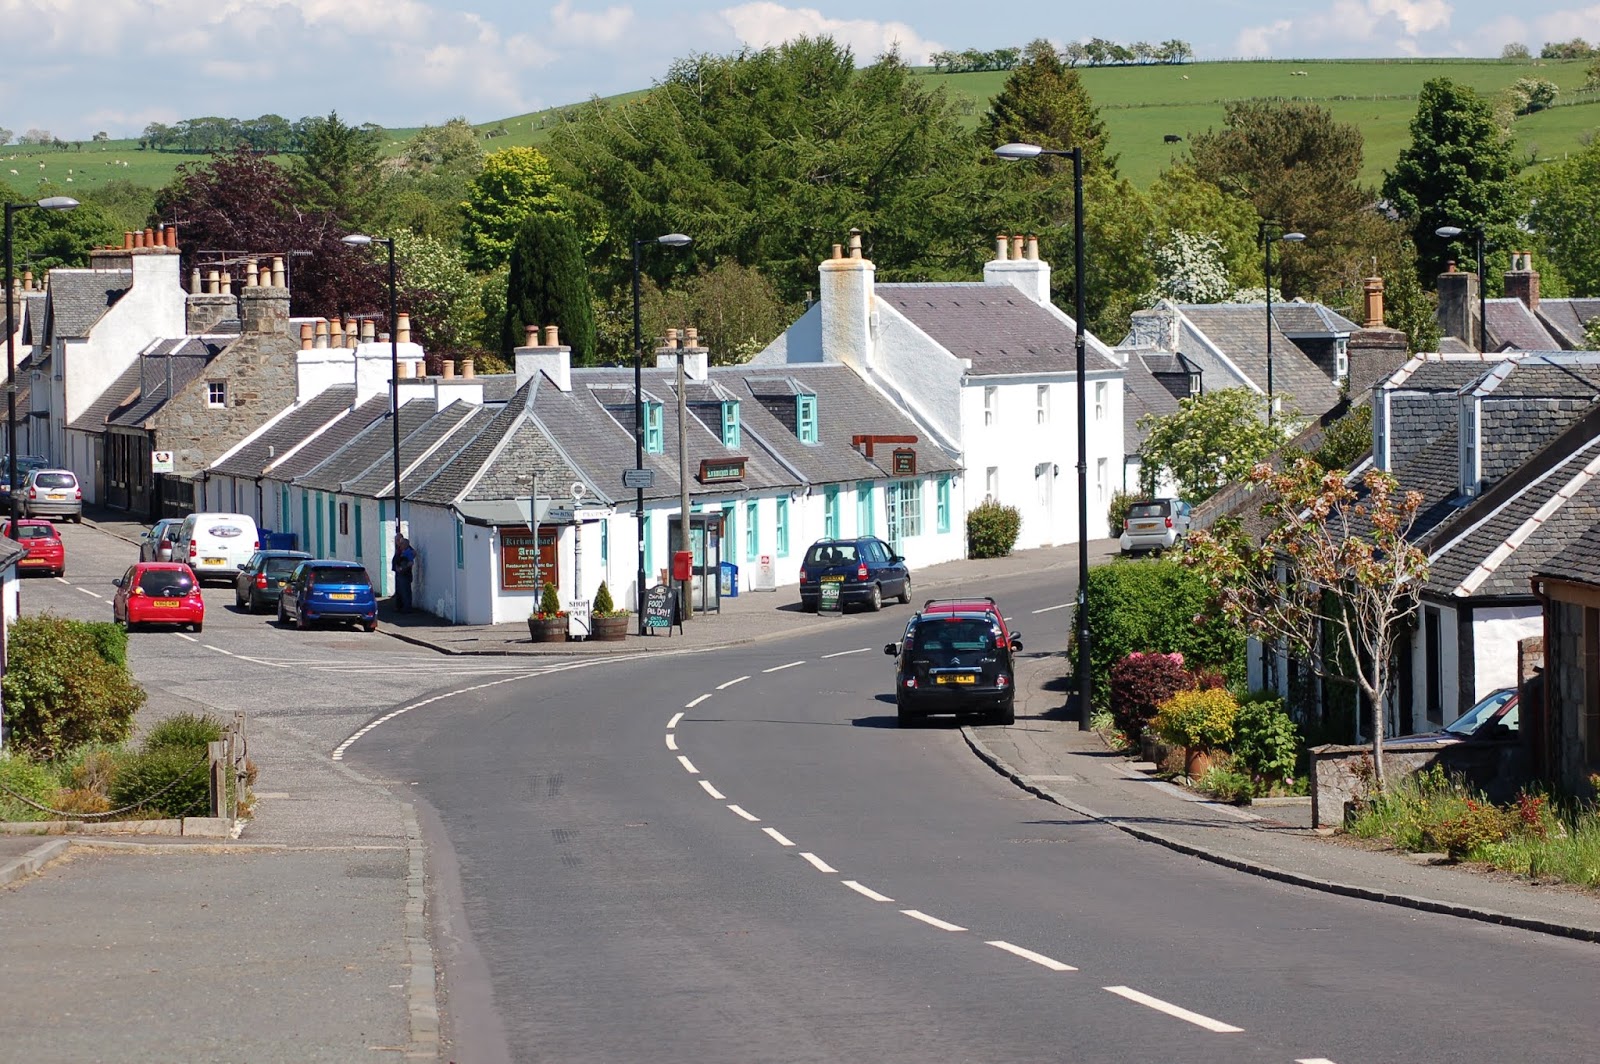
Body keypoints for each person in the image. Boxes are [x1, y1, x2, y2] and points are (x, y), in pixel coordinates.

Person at [392, 534, 417, 613]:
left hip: (404, 574)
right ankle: (400, 607)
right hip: (399, 573)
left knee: (405, 591)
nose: (398, 542)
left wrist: (403, 568)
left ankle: (407, 608)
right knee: (400, 591)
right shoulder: (399, 549)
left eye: (399, 541)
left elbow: (411, 561)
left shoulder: (408, 551)